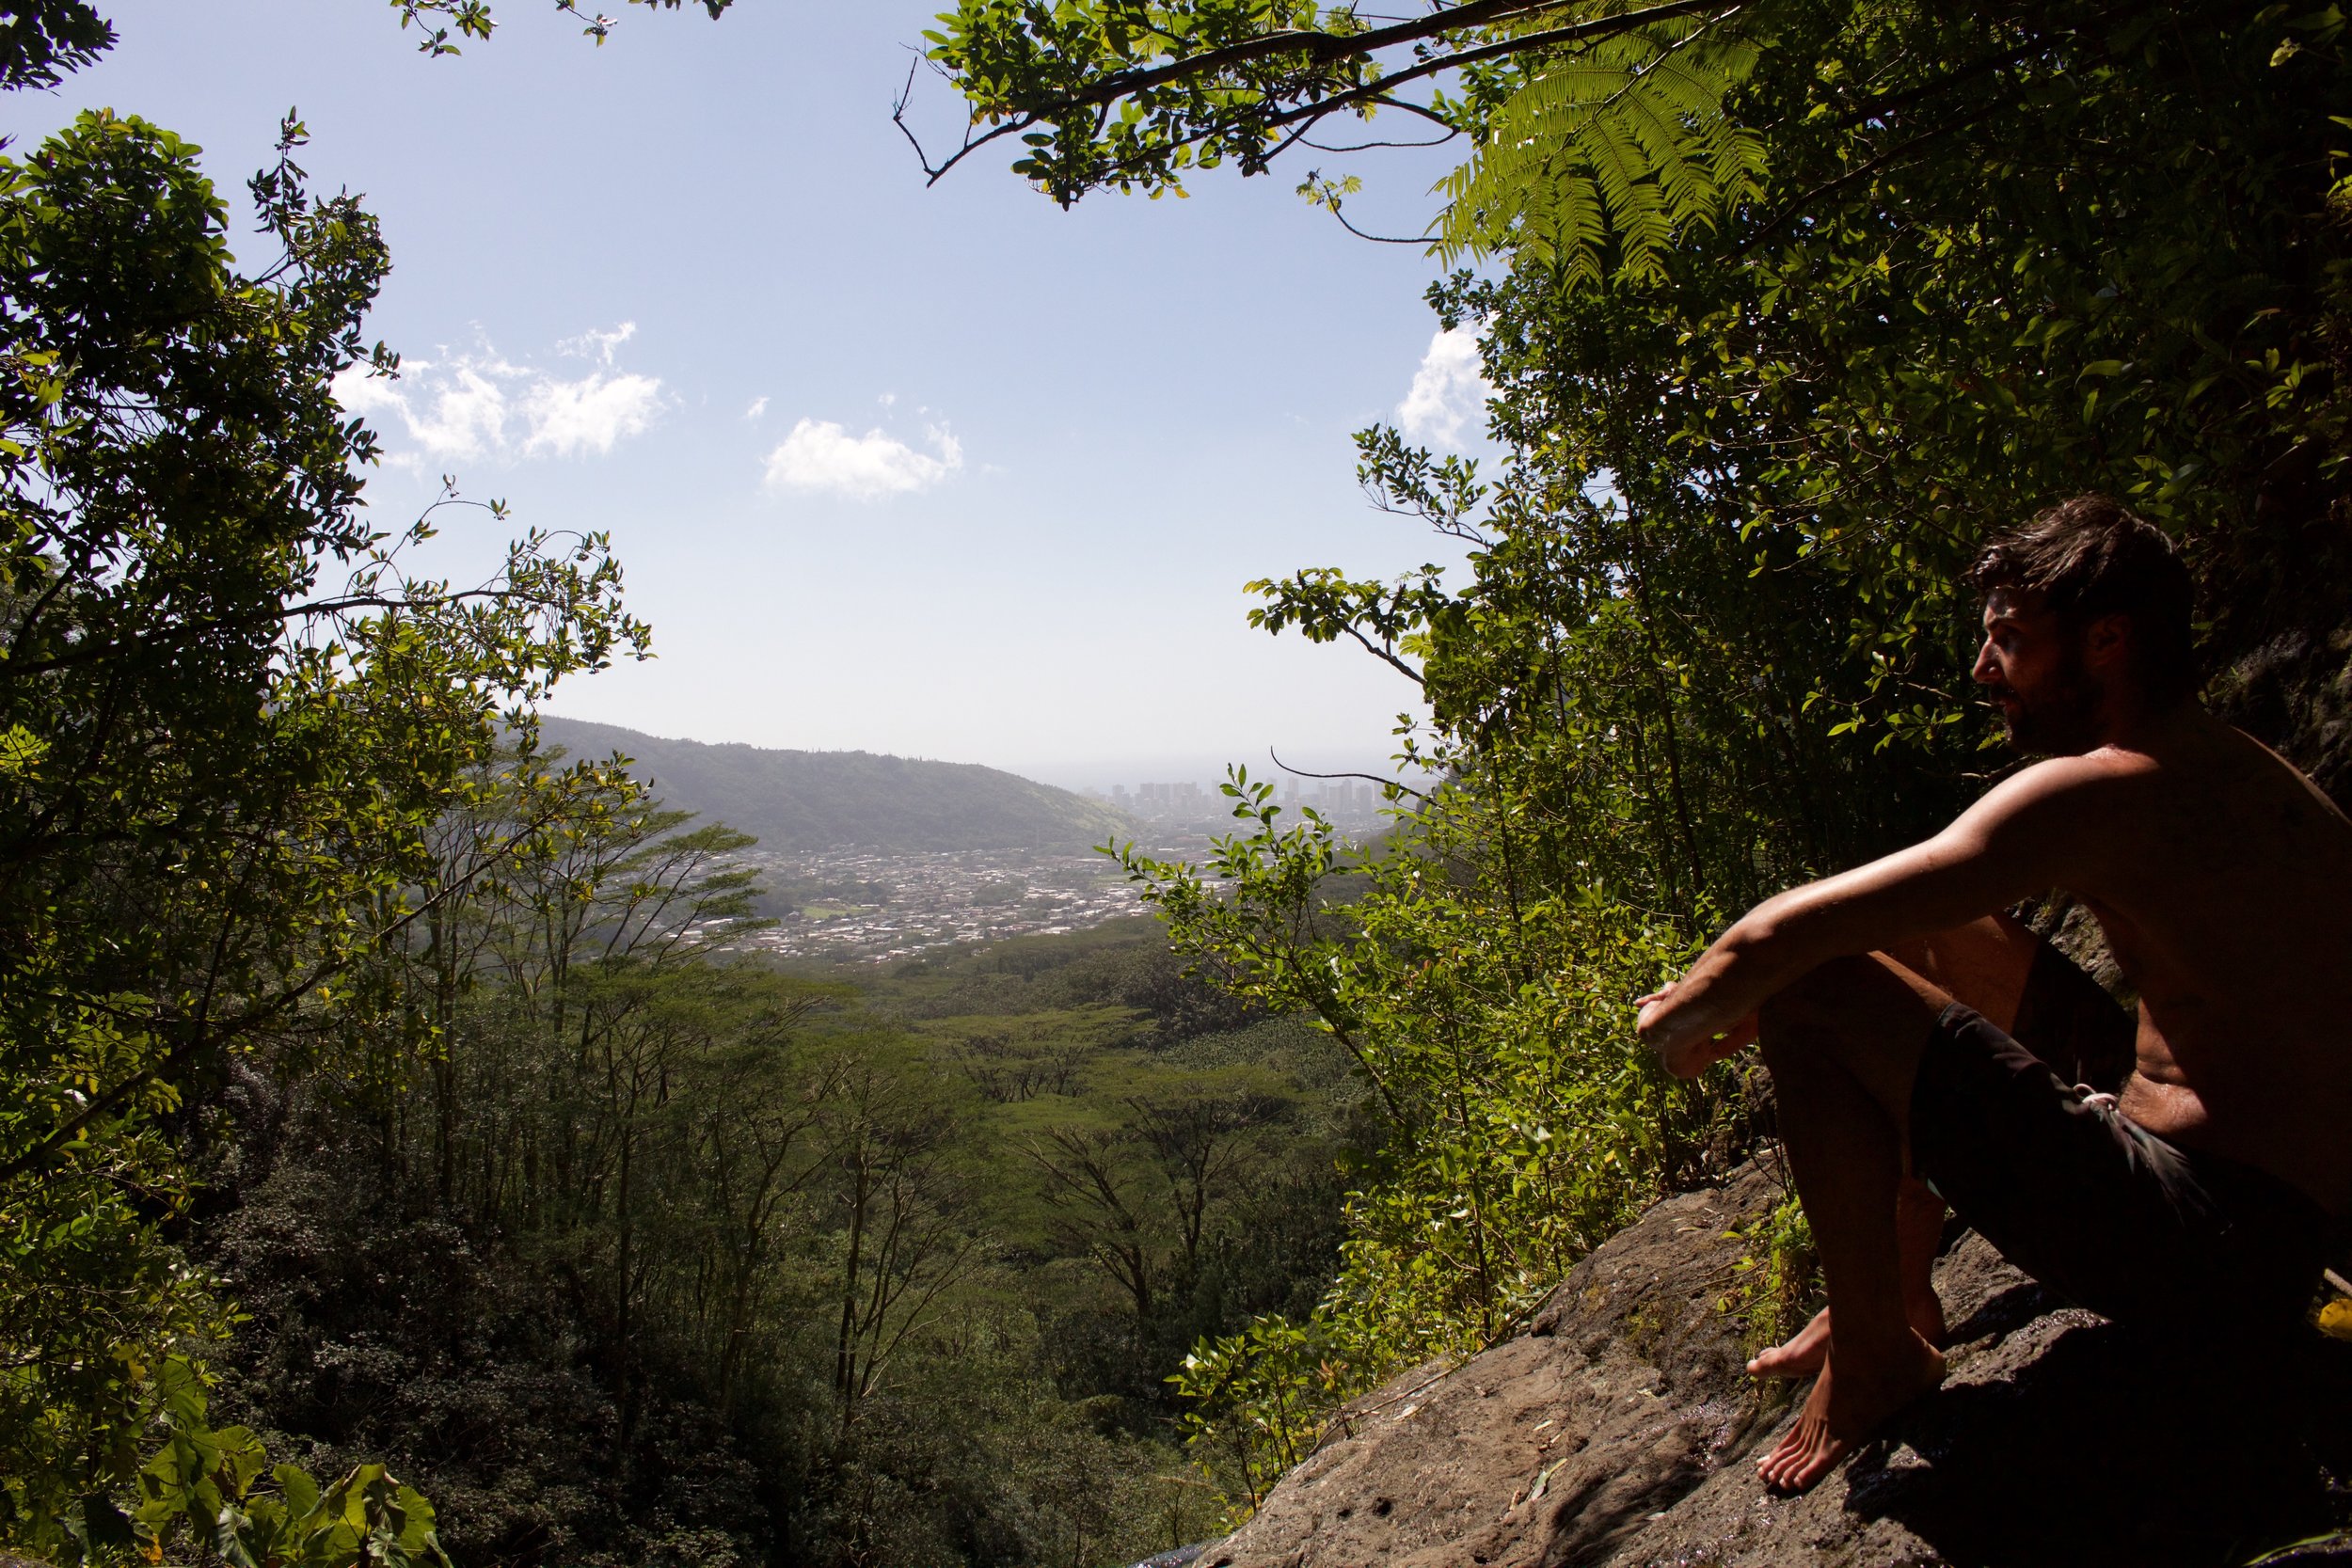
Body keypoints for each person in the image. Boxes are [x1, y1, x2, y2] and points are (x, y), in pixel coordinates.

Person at [1635, 495, 2352, 1493]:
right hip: (2266, 1200)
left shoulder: (2104, 787)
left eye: (2009, 640)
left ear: (2105, 641)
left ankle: (1878, 1359)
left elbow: (1773, 933)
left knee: (1813, 987)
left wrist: (1684, 1018)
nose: (1983, 670)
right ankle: (1899, 1293)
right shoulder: (2238, 765)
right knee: (1918, 927)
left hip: (2209, 1248)